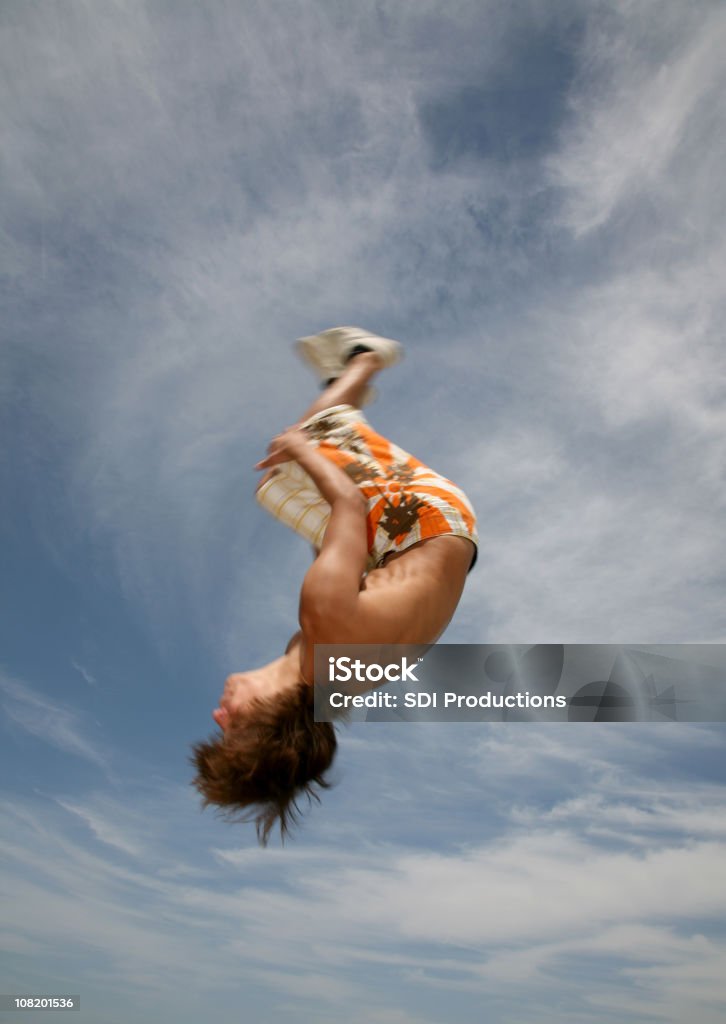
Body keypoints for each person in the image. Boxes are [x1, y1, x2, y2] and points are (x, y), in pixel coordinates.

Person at [191, 328, 478, 843]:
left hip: (424, 547)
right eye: (227, 725)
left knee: (280, 488)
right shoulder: (323, 627)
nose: (218, 711)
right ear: (263, 718)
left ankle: (343, 389)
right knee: (300, 446)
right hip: (423, 518)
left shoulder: (329, 681)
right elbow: (348, 502)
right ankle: (365, 359)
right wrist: (300, 446)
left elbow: (353, 572)